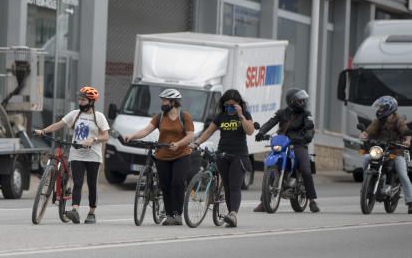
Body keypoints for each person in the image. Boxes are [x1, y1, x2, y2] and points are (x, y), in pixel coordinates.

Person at [35, 86, 110, 224]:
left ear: (91, 102)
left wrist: (93, 140)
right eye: (79, 99)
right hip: (77, 153)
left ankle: (91, 212)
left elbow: (106, 136)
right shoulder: (75, 114)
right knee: (78, 182)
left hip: (93, 154)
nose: (80, 102)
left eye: (83, 100)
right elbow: (59, 124)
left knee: (92, 184)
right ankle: (75, 210)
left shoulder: (99, 117)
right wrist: (44, 131)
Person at [122, 88, 195, 225]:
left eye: (165, 101)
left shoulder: (184, 116)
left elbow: (190, 135)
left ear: (173, 102)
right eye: (162, 100)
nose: (162, 103)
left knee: (177, 183)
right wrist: (132, 136)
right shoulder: (159, 117)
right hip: (162, 155)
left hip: (181, 155)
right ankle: (169, 215)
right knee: (165, 185)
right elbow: (146, 130)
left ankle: (177, 214)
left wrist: (178, 144)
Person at [191, 89, 255, 228]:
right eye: (227, 105)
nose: (229, 108)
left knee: (234, 186)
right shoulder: (221, 116)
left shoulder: (244, 115)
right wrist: (197, 143)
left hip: (238, 155)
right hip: (223, 154)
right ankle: (230, 216)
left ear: (239, 104)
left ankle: (233, 214)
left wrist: (240, 115)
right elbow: (208, 131)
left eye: (232, 105)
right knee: (226, 186)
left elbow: (250, 131)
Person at [253, 88, 320, 213]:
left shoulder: (306, 114)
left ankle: (312, 200)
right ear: (292, 101)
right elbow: (270, 123)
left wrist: (308, 135)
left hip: (298, 144)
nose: (303, 103)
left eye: (303, 100)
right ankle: (264, 202)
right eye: (300, 100)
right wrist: (261, 132)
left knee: (305, 170)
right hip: (282, 143)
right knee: (270, 166)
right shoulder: (281, 113)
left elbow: (310, 127)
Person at [360, 95, 412, 214]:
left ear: (389, 108)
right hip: (380, 150)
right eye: (379, 107)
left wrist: (407, 140)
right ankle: (366, 187)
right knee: (365, 158)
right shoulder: (378, 120)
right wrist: (364, 135)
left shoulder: (398, 120)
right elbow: (369, 130)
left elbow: (406, 132)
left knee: (402, 174)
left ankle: (410, 203)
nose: (379, 110)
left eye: (381, 107)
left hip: (396, 152)